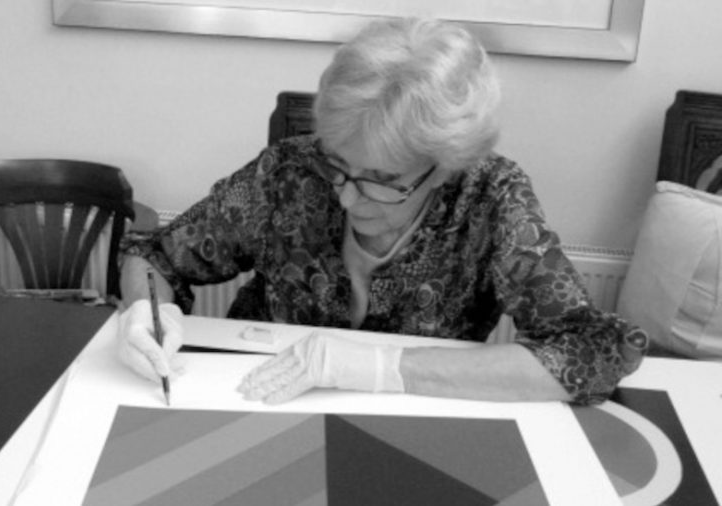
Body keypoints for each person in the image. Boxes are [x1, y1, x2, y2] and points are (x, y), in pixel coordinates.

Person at [117, 17, 648, 407]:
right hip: (253, 398)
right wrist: (144, 313)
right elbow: (155, 257)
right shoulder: (289, 171)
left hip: (411, 427)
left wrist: (384, 368)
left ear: (444, 167)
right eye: (338, 165)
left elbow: (590, 350)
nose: (347, 198)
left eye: (382, 181)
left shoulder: (491, 198)